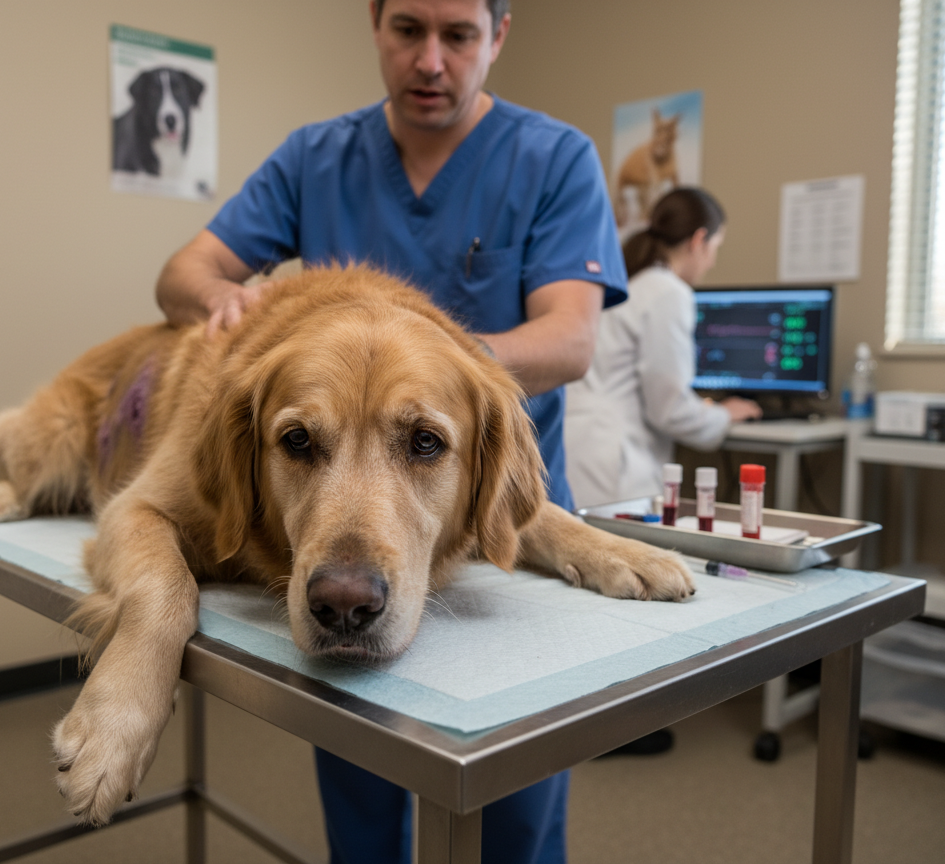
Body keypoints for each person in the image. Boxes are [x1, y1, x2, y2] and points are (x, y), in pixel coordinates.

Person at [156, 1, 627, 861]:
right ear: (374, 25)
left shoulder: (553, 157)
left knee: (514, 795)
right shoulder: (315, 157)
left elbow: (570, 338)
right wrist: (229, 304)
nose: (431, 61)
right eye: (408, 30)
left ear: (500, 35)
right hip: (339, 520)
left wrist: (433, 370)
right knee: (361, 769)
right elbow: (184, 272)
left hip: (494, 520)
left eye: (459, 36)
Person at [564, 187, 762, 510]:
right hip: (613, 466)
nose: (712, 261)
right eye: (715, 247)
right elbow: (669, 409)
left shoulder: (628, 282)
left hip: (576, 450)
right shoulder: (667, 292)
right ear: (698, 240)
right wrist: (723, 415)